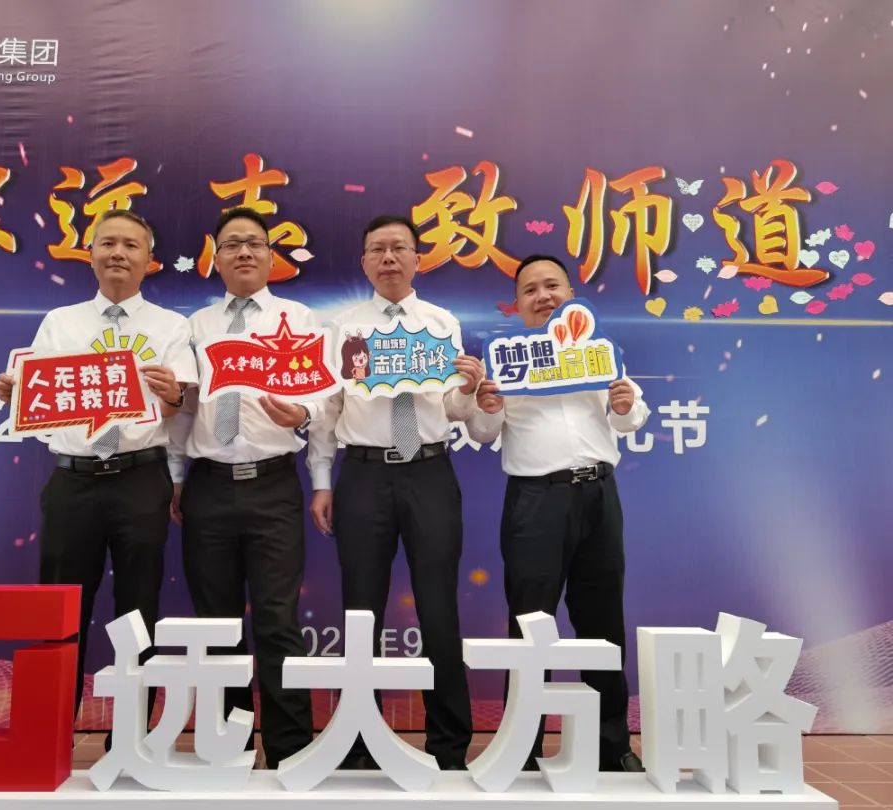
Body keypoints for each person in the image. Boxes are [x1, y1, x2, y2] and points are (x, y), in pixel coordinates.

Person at [0, 208, 196, 721]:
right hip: (74, 480)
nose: (118, 253)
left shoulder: (172, 327)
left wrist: (173, 395)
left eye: (131, 245)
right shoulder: (60, 323)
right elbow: (36, 398)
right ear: (90, 255)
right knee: (59, 609)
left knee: (139, 608)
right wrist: (16, 395)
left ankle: (131, 734)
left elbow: (179, 407)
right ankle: (51, 729)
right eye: (107, 243)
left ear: (150, 260)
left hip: (140, 479)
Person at [308, 215, 483, 771]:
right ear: (364, 262)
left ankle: (449, 745)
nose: (388, 258)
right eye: (377, 249)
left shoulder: (442, 323)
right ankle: (360, 740)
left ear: (417, 259)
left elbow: (451, 407)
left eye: (398, 248)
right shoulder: (343, 328)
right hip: (363, 474)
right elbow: (327, 410)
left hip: (428, 471)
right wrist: (321, 481)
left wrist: (470, 390)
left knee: (439, 607)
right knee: (361, 608)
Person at [465, 254, 648, 772]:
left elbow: (631, 418)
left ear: (571, 294)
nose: (542, 296)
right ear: (517, 305)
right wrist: (487, 406)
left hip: (599, 495)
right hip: (536, 500)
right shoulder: (506, 361)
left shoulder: (600, 352)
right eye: (530, 290)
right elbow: (482, 432)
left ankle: (611, 745)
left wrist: (624, 404)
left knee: (603, 621)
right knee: (531, 624)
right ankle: (521, 747)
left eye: (552, 286)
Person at [168, 206, 316, 769]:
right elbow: (182, 409)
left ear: (272, 257)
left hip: (274, 485)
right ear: (217, 258)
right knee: (217, 624)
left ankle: (290, 752)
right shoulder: (195, 327)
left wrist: (301, 414)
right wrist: (176, 477)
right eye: (232, 244)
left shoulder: (300, 319)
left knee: (278, 620)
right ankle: (227, 750)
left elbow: (321, 397)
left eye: (254, 243)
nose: (245, 252)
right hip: (208, 487)